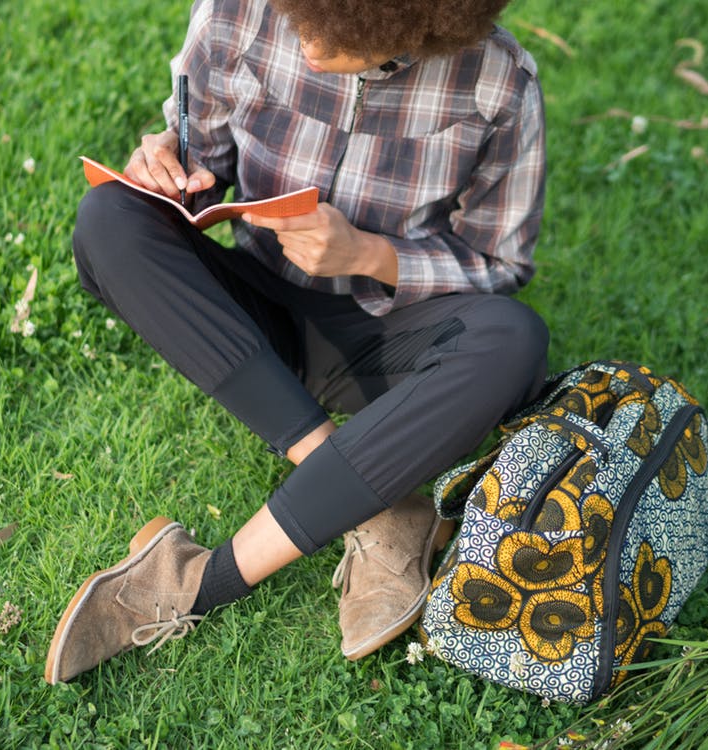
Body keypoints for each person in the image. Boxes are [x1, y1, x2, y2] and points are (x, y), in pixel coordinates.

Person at [45, 0, 549, 684]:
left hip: (383, 342)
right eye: (300, 19)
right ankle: (377, 505)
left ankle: (202, 579)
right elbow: (198, 165)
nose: (307, 45)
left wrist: (370, 254)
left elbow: (498, 261)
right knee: (108, 217)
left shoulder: (499, 82)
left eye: (333, 35)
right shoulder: (236, 13)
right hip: (251, 317)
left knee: (514, 340)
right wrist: (163, 165)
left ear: (411, 26)